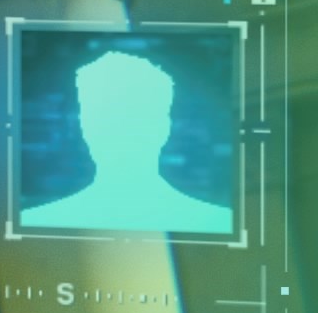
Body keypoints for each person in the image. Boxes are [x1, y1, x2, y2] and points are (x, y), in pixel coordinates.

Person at [21, 49, 233, 235]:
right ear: (83, 126)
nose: (115, 131)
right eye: (99, 115)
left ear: (163, 126)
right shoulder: (32, 221)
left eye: (132, 115)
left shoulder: (218, 220)